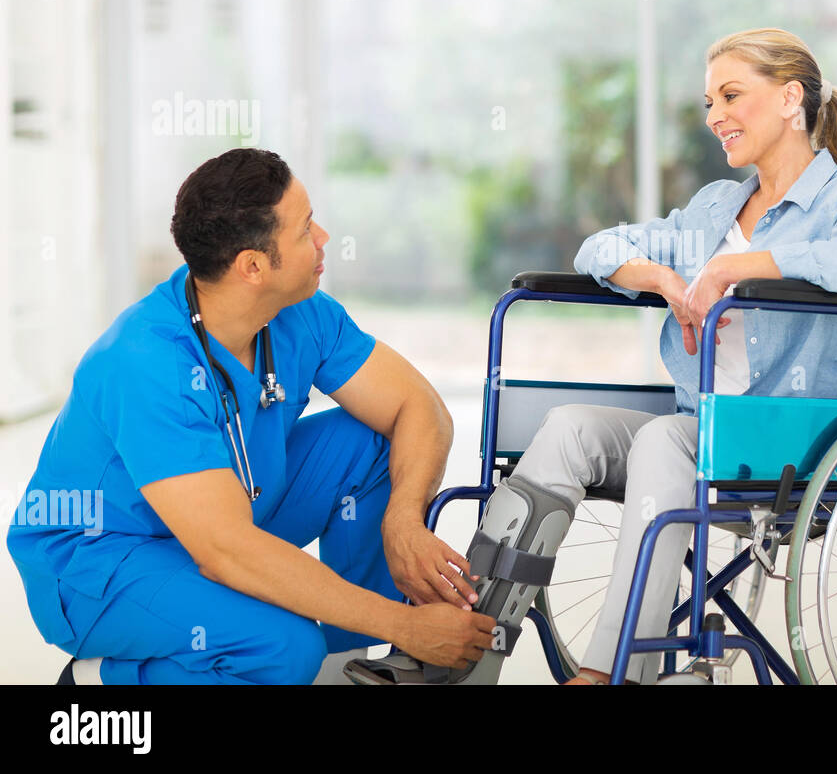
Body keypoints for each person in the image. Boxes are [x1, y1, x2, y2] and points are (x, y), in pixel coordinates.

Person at [351, 27, 837, 685]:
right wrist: (664, 279)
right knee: (570, 428)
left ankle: (610, 674)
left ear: (789, 99)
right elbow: (599, 249)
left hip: (793, 438)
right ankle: (464, 651)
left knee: (665, 439)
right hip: (704, 428)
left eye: (730, 95)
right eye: (707, 102)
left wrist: (733, 269)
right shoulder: (716, 206)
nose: (714, 116)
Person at [6, 148, 495, 684]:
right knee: (283, 645)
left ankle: (347, 669)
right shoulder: (144, 362)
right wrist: (408, 623)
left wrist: (402, 519)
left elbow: (417, 406)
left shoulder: (298, 310)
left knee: (369, 444)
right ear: (253, 266)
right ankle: (106, 682)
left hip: (228, 508)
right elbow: (225, 551)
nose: (324, 237)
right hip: (104, 558)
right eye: (306, 230)